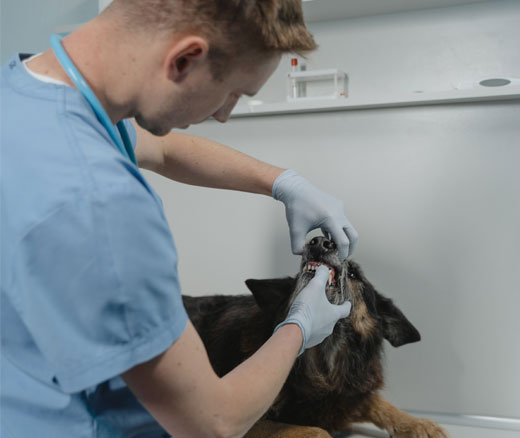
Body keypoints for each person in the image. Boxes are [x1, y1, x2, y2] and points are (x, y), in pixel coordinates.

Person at [0, 0, 358, 437]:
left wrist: (281, 181)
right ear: (185, 58)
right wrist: (298, 327)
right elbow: (213, 423)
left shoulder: (24, 92)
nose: (224, 115)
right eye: (234, 92)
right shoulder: (102, 205)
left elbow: (161, 147)